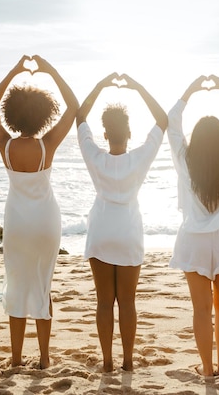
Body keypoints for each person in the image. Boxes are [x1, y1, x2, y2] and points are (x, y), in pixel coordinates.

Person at [0, 54, 79, 369]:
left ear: (12, 115)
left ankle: (15, 358)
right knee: (42, 286)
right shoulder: (47, 144)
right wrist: (50, 70)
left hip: (17, 223)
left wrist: (13, 71)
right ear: (42, 115)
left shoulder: (6, 145)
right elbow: (74, 106)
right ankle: (43, 357)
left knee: (16, 285)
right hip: (45, 222)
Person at [76, 72, 167, 372]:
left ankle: (107, 362)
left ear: (106, 134)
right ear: (129, 133)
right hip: (128, 232)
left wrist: (101, 85)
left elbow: (79, 117)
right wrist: (138, 87)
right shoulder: (139, 158)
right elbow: (162, 120)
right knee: (127, 302)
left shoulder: (96, 157)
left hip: (101, 231)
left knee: (105, 302)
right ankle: (128, 361)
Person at [167, 75, 219, 377]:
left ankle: (205, 368)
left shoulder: (184, 158)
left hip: (194, 239)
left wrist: (190, 91)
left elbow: (172, 122)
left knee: (201, 309)